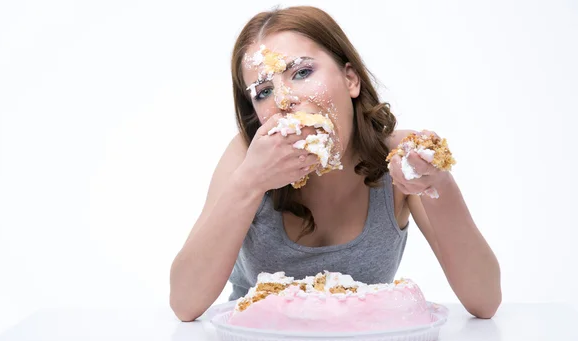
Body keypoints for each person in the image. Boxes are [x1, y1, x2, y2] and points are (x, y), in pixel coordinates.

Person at [169, 6, 501, 322]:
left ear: (351, 80)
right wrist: (250, 183)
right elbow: (185, 303)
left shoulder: (401, 156)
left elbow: (484, 300)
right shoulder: (246, 155)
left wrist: (437, 183)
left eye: (301, 72)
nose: (283, 101)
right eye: (263, 91)